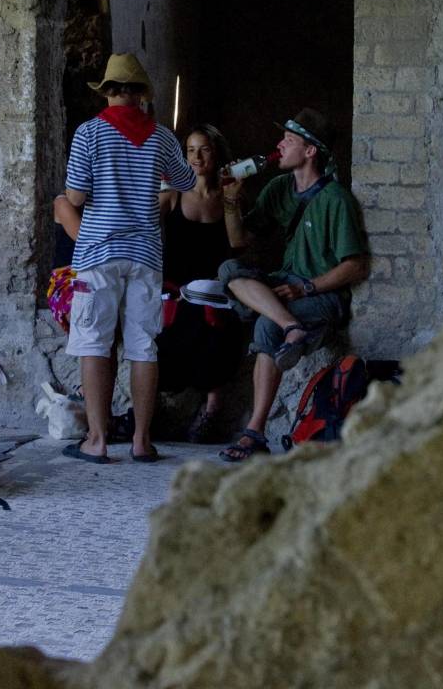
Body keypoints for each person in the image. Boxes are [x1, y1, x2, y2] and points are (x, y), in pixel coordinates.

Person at [63, 53, 196, 464]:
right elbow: (186, 181)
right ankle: (141, 440)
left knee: (94, 344)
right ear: (140, 96)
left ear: (108, 93)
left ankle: (98, 441)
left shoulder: (89, 134)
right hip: (145, 255)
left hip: (98, 253)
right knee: (143, 346)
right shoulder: (160, 137)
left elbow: (75, 197)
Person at [216, 109, 370, 463]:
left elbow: (356, 266)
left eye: (288, 139)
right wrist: (229, 200)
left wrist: (307, 289)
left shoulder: (336, 200)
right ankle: (291, 326)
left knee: (265, 324)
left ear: (311, 150)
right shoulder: (279, 188)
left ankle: (253, 432)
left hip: (321, 295)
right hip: (284, 288)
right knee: (229, 269)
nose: (278, 145)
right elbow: (239, 242)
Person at [155, 124, 248, 441]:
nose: (197, 157)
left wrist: (233, 200)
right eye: (191, 150)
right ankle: (158, 409)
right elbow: (143, 222)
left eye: (204, 149)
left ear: (217, 153)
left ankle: (211, 413)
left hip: (215, 291)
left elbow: (238, 245)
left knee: (219, 330)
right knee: (167, 330)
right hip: (176, 288)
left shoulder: (230, 196)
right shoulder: (173, 194)